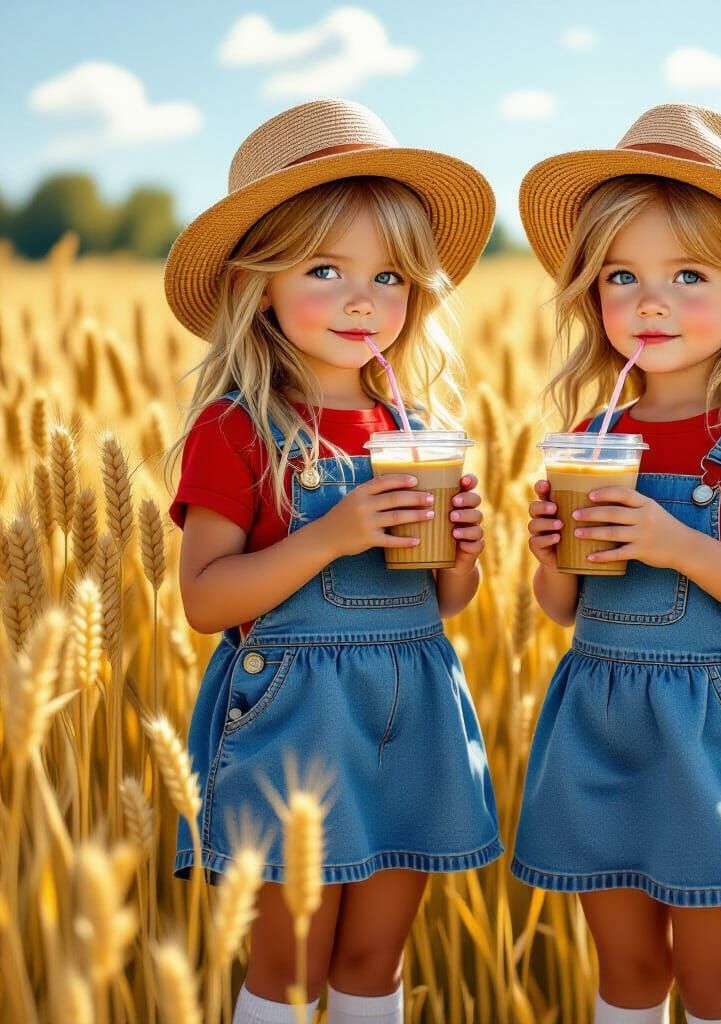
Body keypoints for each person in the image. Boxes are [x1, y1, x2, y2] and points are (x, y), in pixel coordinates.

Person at [162, 98, 502, 1024]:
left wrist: (462, 553)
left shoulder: (415, 428)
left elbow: (447, 601)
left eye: (389, 276)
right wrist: (332, 534)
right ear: (256, 284)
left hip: (414, 705)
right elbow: (206, 599)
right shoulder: (237, 428)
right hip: (295, 715)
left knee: (373, 958)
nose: (363, 299)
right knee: (292, 959)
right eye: (325, 269)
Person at [513, 103, 721, 1024]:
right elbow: (562, 608)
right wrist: (554, 558)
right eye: (621, 276)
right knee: (625, 972)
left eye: (688, 275)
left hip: (714, 733)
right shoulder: (594, 435)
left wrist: (676, 544)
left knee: (714, 977)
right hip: (597, 717)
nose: (649, 302)